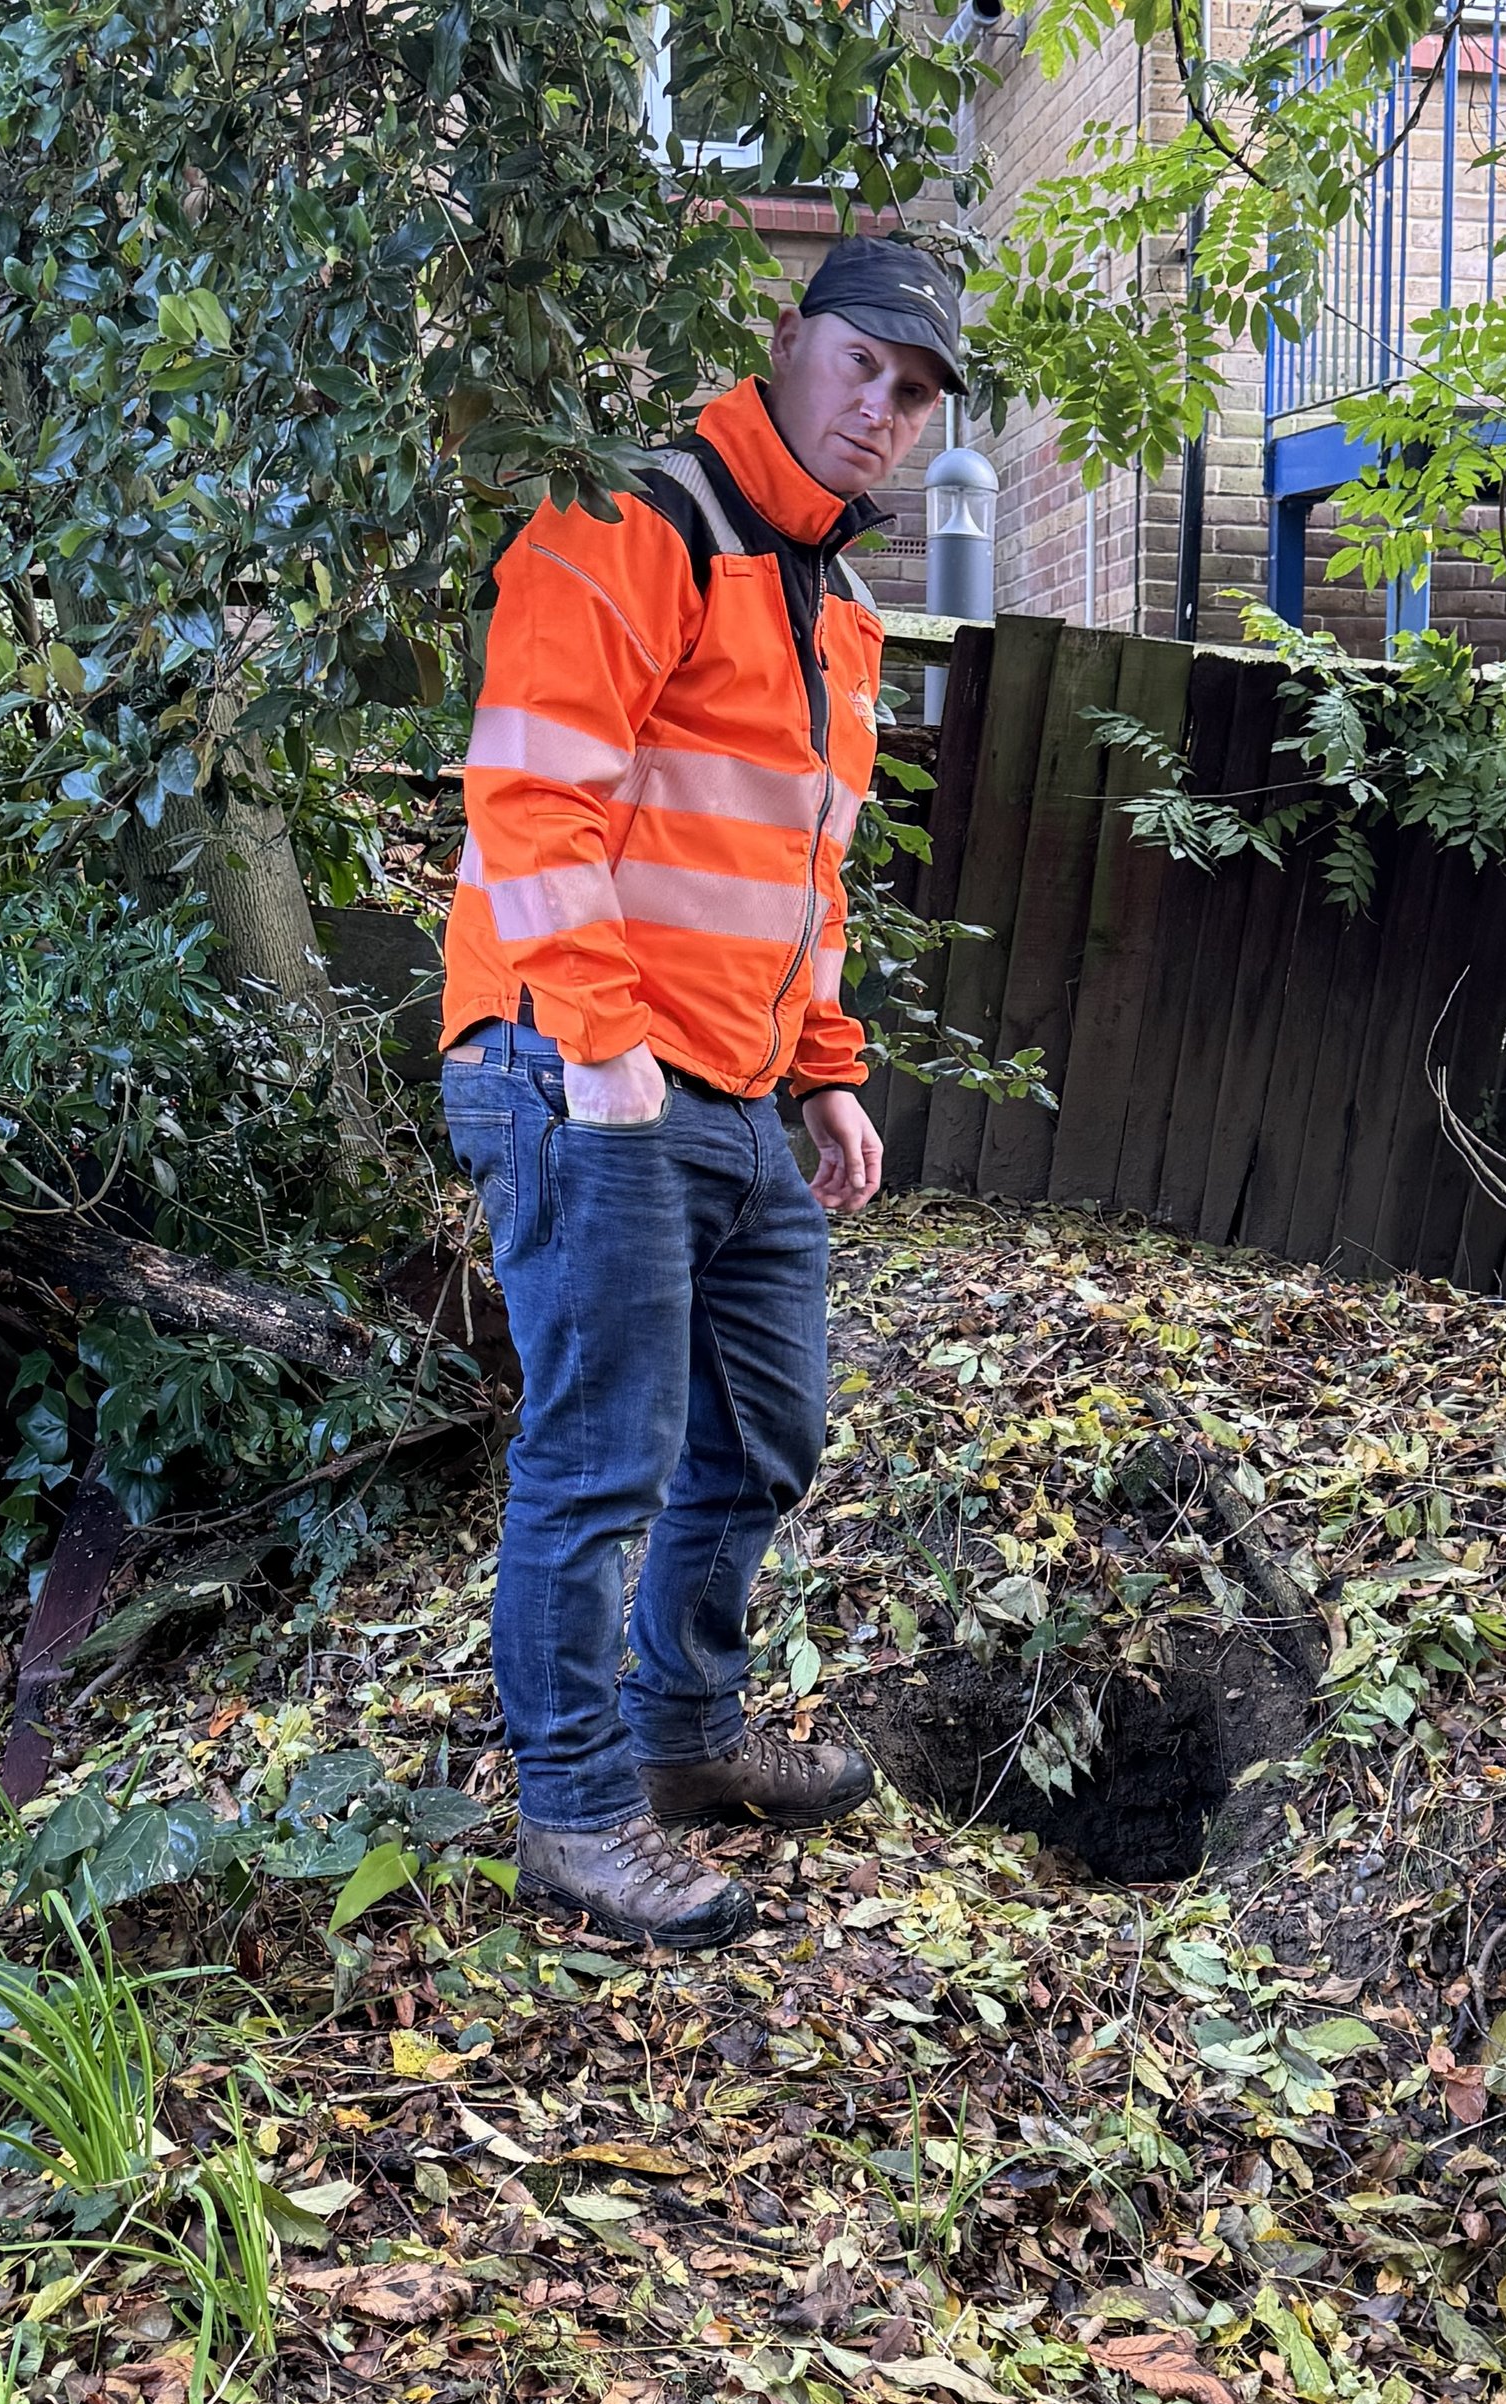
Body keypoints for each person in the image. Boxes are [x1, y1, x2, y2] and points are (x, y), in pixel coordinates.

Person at [437, 240, 963, 1949]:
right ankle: (579, 1817)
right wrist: (598, 1054)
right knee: (601, 1457)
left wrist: (829, 1072)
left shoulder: (839, 606)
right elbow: (534, 803)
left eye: (920, 394)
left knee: (767, 1426)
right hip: (581, 1068)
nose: (886, 409)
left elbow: (795, 877)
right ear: (792, 341)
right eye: (869, 365)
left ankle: (682, 1733)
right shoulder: (637, 524)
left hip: (733, 1085)